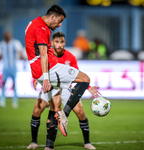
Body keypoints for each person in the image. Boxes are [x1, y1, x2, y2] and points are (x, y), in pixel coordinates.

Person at [25, 4, 96, 147]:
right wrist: (46, 77)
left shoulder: (33, 23)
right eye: (59, 21)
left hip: (38, 70)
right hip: (50, 69)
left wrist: (41, 77)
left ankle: (49, 146)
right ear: (52, 16)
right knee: (85, 79)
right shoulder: (42, 28)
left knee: (54, 106)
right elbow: (43, 53)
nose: (59, 24)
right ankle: (65, 115)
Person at [0, 31, 25, 108]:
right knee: (3, 83)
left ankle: (15, 101)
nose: (7, 36)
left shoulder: (15, 43)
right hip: (5, 67)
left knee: (14, 84)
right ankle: (2, 100)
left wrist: (24, 61)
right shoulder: (1, 44)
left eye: (8, 35)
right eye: (6, 35)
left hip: (13, 67)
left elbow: (21, 52)